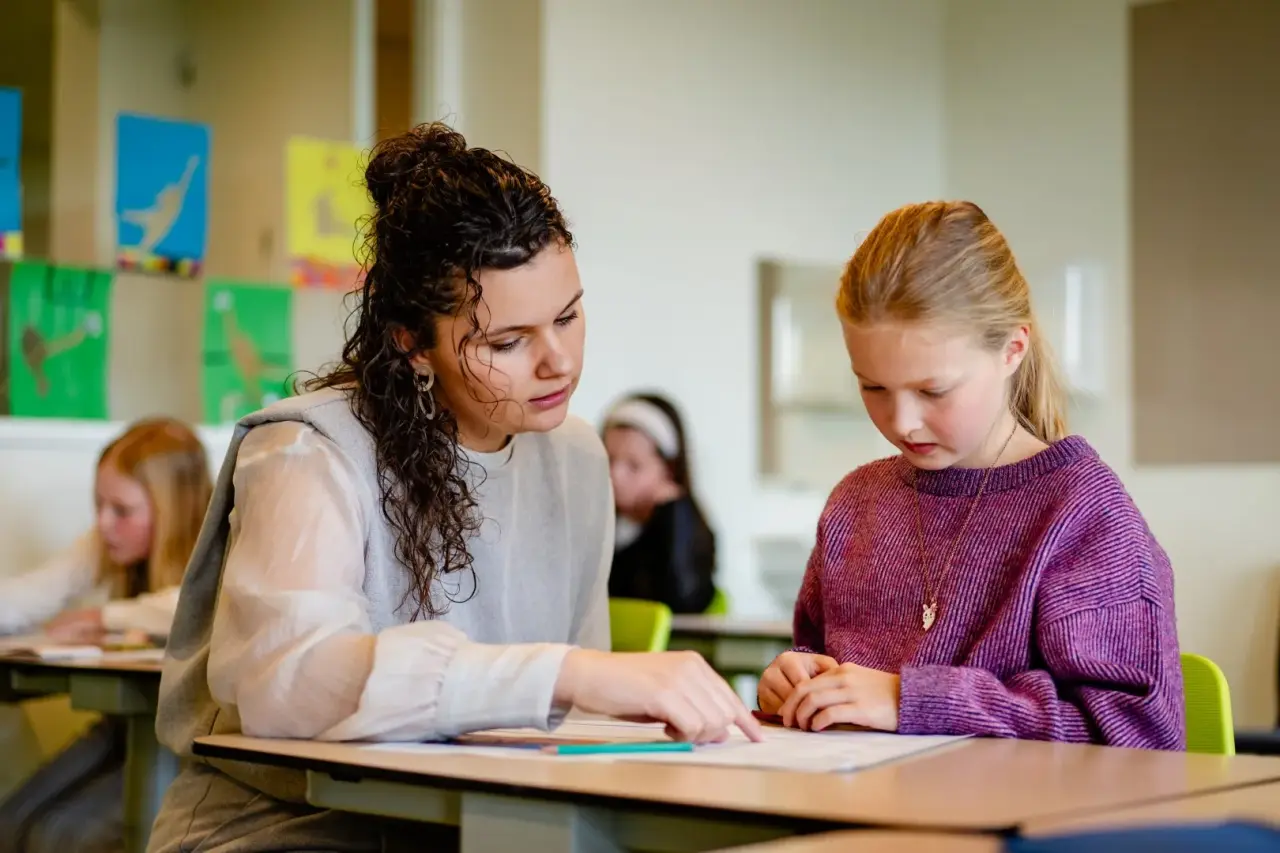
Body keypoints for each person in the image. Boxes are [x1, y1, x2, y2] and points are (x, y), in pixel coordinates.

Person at [147, 123, 761, 853]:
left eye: (568, 316)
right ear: (411, 342)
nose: (559, 362)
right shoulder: (308, 452)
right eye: (508, 341)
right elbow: (290, 678)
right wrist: (563, 674)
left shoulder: (575, 456)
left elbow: (578, 728)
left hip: (485, 822)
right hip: (289, 829)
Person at [757, 201, 1184, 750]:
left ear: (1012, 350)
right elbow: (820, 660)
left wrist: (911, 700)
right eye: (873, 386)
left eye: (933, 390)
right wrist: (797, 679)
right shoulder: (855, 502)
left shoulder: (1085, 512)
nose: (902, 421)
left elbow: (1141, 736)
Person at [0, 417, 212, 853]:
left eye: (121, 510)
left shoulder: (221, 546)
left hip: (184, 745)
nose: (103, 523)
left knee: (59, 837)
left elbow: (195, 605)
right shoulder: (106, 539)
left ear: (170, 509)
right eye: (99, 505)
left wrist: (103, 615)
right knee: (9, 823)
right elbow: (31, 596)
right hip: (121, 729)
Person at [603, 392, 718, 614]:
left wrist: (672, 513)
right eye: (609, 459)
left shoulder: (688, 528)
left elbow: (683, 601)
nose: (615, 475)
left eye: (634, 465)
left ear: (668, 469)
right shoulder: (599, 527)